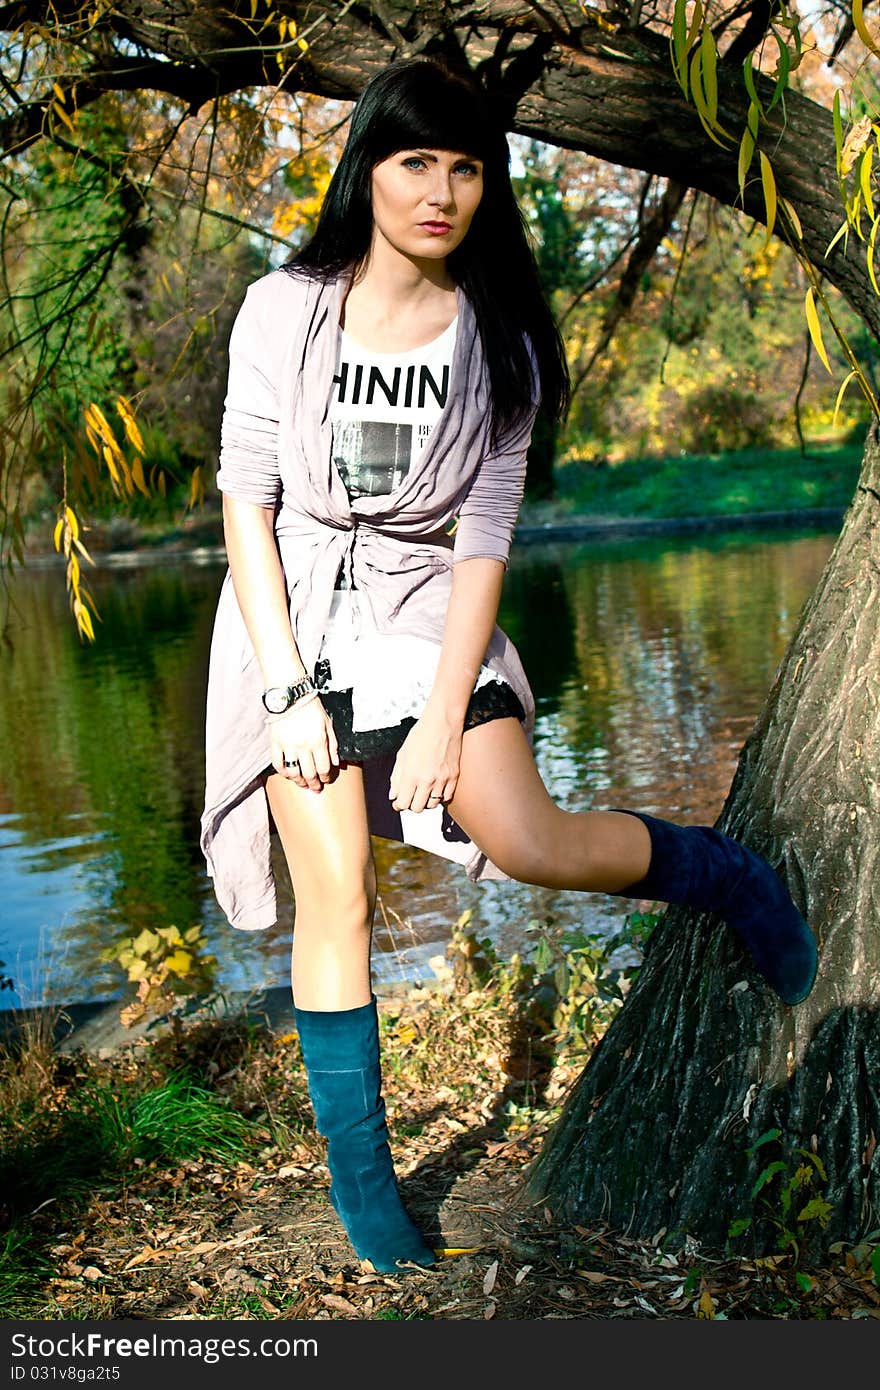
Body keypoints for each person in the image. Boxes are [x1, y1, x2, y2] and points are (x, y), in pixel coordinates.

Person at [200, 57, 818, 1275]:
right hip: (295, 623)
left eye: (466, 166)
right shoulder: (282, 309)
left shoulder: (501, 344)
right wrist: (283, 691)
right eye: (415, 161)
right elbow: (246, 502)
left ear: (489, 182)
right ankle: (366, 1185)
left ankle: (722, 873)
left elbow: (481, 544)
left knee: (531, 840)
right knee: (336, 898)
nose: (440, 190)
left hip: (429, 611)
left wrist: (441, 715)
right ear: (369, 168)